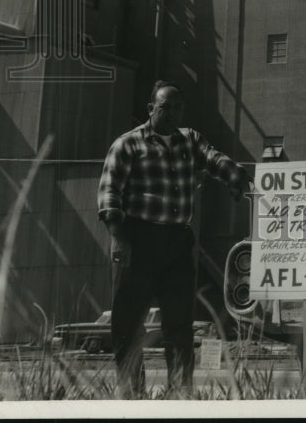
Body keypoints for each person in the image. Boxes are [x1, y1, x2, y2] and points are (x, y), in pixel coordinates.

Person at [97, 80, 251, 397]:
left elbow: (213, 158)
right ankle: (131, 393)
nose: (172, 114)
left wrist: (235, 176)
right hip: (137, 240)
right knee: (128, 324)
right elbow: (109, 193)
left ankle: (180, 393)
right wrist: (118, 237)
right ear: (151, 109)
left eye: (178, 108)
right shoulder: (127, 144)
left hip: (178, 243)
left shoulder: (189, 140)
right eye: (165, 107)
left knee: (179, 324)